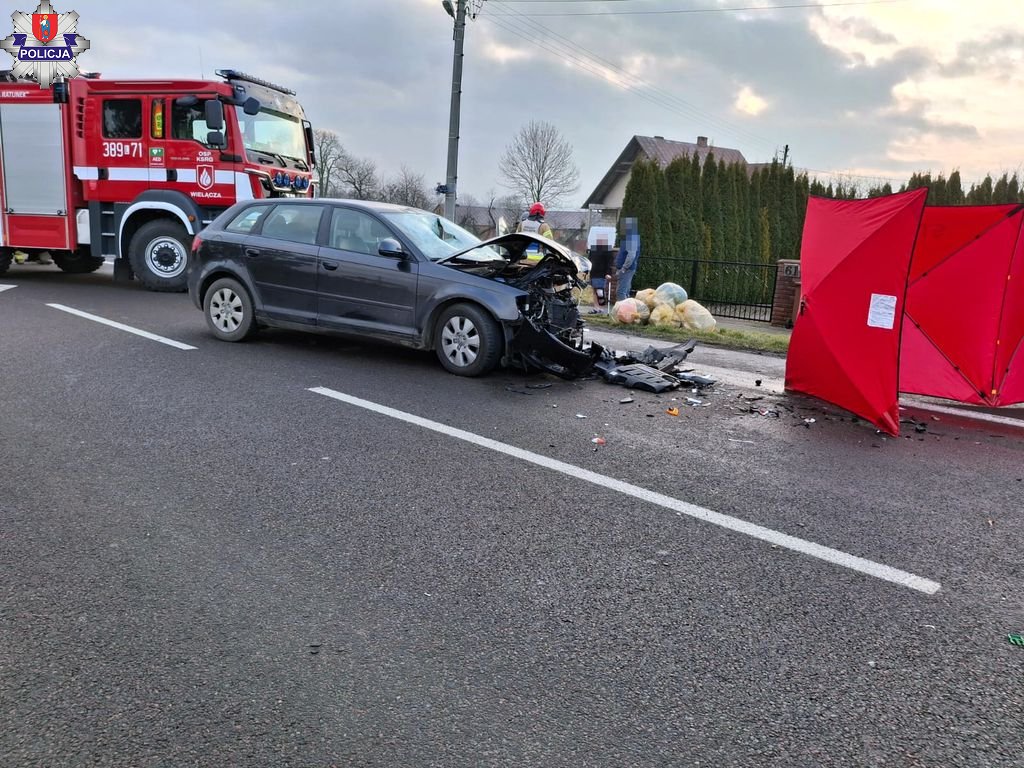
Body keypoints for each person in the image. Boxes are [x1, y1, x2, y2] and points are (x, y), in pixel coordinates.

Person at [615, 216, 641, 301]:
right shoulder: (631, 237)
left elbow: (631, 255)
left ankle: (623, 309)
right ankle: (627, 308)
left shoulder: (631, 238)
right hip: (627, 269)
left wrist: (623, 268)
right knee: (625, 291)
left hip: (627, 269)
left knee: (621, 292)